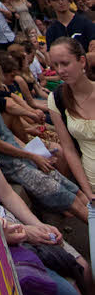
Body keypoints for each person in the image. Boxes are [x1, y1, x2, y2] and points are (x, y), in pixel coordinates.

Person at [0, 90, 87, 295]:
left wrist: (36, 225)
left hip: (10, 227)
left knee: (75, 289)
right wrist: (24, 232)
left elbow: (7, 193)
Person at [48, 38, 95, 202]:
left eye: (65, 63)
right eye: (55, 65)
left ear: (82, 61)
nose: (60, 70)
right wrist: (87, 191)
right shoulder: (57, 99)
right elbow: (68, 149)